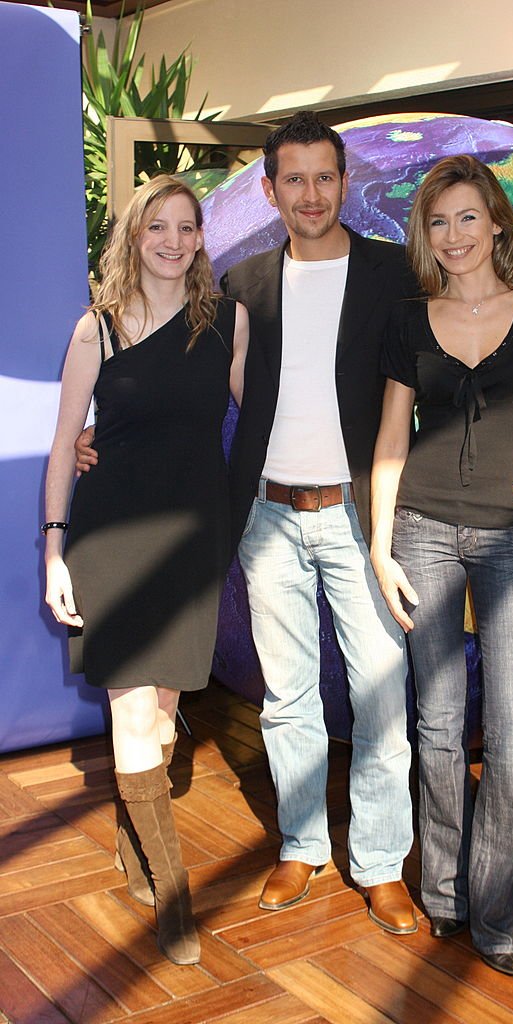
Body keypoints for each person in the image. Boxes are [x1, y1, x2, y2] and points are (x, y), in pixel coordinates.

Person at [77, 114, 513, 935]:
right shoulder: (242, 285)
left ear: (342, 181)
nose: (308, 193)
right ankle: (300, 848)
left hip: (362, 515)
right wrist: (99, 433)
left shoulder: (392, 275)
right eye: (290, 178)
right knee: (287, 698)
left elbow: (459, 355)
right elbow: (169, 380)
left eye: (322, 177)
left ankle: (378, 863)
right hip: (265, 515)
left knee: (381, 696)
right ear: (268, 191)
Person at [371, 155, 513, 974]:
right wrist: (377, 542)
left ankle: (498, 918)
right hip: (420, 534)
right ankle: (443, 896)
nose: (454, 235)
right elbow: (391, 437)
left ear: (497, 223)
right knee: (434, 728)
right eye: (438, 221)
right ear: (424, 236)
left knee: (512, 735)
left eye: (468, 217)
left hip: (507, 541)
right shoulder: (404, 319)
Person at [44, 174, 248, 965]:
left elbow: (263, 413)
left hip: (192, 541)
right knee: (134, 714)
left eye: (185, 227)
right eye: (155, 226)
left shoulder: (228, 324)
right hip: (113, 541)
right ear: (134, 237)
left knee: (162, 715)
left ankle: (133, 851)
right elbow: (66, 444)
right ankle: (174, 897)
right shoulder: (95, 329)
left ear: (201, 239)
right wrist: (55, 550)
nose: (171, 240)